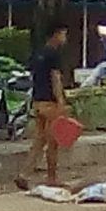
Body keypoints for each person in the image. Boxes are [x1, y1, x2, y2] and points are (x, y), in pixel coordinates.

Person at [14, 24, 69, 190]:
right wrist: (61, 101)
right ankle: (51, 178)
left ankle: (24, 174)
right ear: (56, 34)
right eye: (63, 34)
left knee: (39, 140)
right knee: (53, 142)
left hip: (37, 101)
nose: (65, 38)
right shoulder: (54, 54)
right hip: (50, 103)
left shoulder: (38, 54)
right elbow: (56, 78)